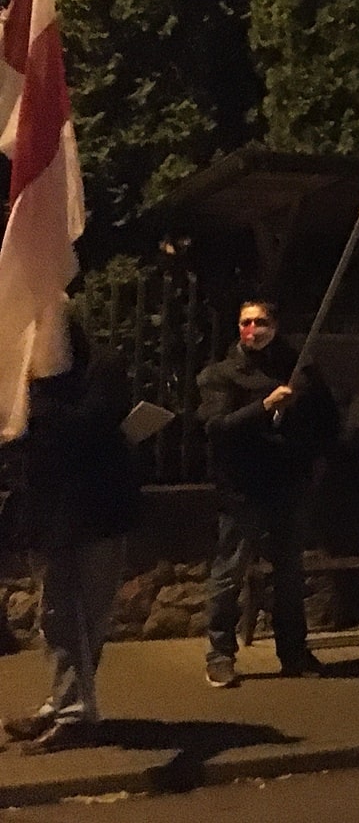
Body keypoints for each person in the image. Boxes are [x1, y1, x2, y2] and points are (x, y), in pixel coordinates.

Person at [3, 309, 140, 753]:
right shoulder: (25, 377)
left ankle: (69, 707)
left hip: (96, 509)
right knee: (58, 614)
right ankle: (69, 708)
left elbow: (90, 426)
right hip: (47, 514)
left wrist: (35, 404)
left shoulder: (100, 366)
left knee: (88, 617)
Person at [198, 300, 339, 688]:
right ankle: (219, 654)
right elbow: (216, 427)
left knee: (289, 573)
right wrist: (265, 406)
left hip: (287, 485)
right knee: (230, 572)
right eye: (245, 322)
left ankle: (293, 651)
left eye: (260, 321)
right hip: (242, 488)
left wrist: (312, 458)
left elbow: (326, 419)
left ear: (275, 324)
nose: (252, 329)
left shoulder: (300, 371)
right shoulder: (221, 375)